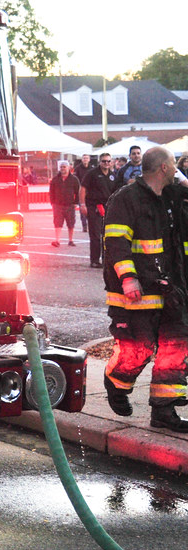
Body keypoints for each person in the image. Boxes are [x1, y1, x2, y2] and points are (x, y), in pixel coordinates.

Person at [102, 147, 188, 431]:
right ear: (163, 168)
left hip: (172, 288)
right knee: (138, 348)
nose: (177, 170)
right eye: (174, 165)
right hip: (139, 288)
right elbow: (116, 242)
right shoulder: (126, 199)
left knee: (175, 346)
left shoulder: (172, 198)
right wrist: (128, 277)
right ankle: (116, 383)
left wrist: (184, 182)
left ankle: (164, 411)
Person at [79, 152, 117, 268]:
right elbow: (83, 188)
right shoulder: (92, 174)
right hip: (94, 207)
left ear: (111, 162)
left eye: (108, 161)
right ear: (99, 162)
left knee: (108, 236)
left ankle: (106, 260)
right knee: (95, 236)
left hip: (108, 208)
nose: (106, 163)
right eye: (104, 161)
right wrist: (82, 204)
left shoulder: (113, 175)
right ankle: (95, 260)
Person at [49, 160, 81, 247]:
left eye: (64, 167)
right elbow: (51, 191)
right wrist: (52, 202)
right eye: (61, 167)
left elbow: (78, 192)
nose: (62, 169)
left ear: (69, 168)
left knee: (71, 223)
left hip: (70, 204)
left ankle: (70, 240)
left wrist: (76, 202)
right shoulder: (55, 179)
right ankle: (57, 240)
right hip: (57, 205)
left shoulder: (74, 179)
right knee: (57, 222)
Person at [73, 153, 93, 231]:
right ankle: (84, 225)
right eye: (84, 158)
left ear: (89, 159)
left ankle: (90, 224)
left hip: (90, 192)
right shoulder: (77, 168)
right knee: (82, 209)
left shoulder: (92, 168)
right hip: (81, 192)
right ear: (82, 159)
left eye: (87, 158)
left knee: (91, 209)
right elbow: (75, 180)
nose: (85, 160)